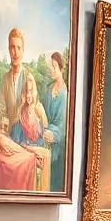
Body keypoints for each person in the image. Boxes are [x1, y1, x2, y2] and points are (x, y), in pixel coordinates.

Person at [42, 51, 69, 192]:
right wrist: (42, 129)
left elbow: (63, 126)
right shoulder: (48, 91)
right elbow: (43, 116)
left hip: (57, 142)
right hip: (44, 133)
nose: (52, 70)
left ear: (61, 69)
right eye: (51, 67)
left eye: (54, 67)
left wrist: (52, 134)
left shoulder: (65, 94)